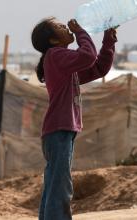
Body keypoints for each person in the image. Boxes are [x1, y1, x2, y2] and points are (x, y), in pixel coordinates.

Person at [31, 17, 117, 220]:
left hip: (61, 130)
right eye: (60, 27)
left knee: (54, 183)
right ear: (53, 41)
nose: (66, 26)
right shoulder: (55, 55)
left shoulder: (64, 63)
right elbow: (87, 55)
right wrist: (80, 32)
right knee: (60, 184)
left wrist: (108, 42)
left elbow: (98, 68)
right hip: (58, 130)